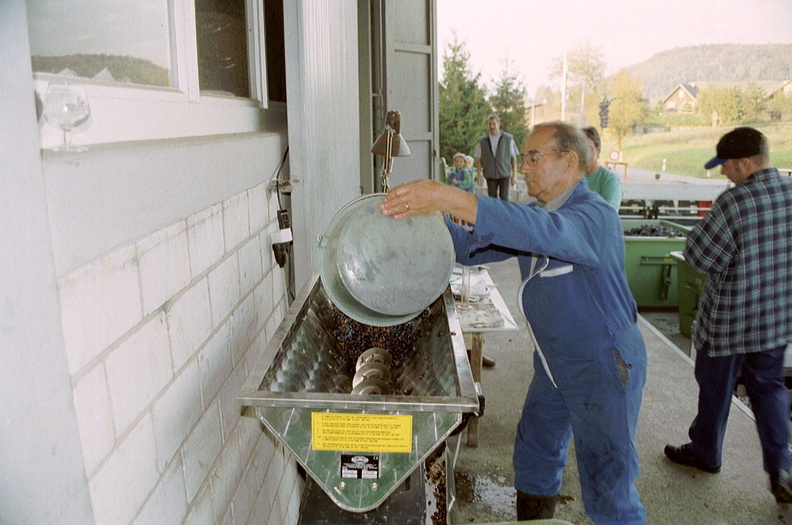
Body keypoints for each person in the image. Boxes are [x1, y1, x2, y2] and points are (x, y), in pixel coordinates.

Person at [382, 121, 647, 524]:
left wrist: (452, 197)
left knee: (607, 480)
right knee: (535, 450)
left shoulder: (595, 217)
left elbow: (545, 233)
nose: (523, 168)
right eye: (523, 159)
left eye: (533, 158)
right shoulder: (539, 214)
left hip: (602, 364)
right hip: (554, 362)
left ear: (569, 160)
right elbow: (471, 247)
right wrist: (430, 217)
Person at [663, 127, 792, 503]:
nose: (723, 174)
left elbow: (699, 257)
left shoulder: (732, 203)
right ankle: (782, 469)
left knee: (715, 387)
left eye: (726, 167)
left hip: (729, 322)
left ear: (745, 164)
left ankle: (706, 453)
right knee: (768, 390)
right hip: (775, 320)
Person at [474, 114, 519, 201]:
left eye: (493, 124)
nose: (491, 126)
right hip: (490, 174)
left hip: (504, 173)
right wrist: (479, 176)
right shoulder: (483, 141)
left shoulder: (508, 139)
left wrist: (514, 175)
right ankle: (494, 214)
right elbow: (479, 159)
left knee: (504, 197)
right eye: (489, 124)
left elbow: (514, 158)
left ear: (499, 124)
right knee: (492, 199)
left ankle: (505, 214)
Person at [581, 126, 623, 210]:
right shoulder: (570, 178)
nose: (585, 153)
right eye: (580, 148)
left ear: (598, 150)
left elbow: (607, 216)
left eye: (589, 148)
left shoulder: (610, 179)